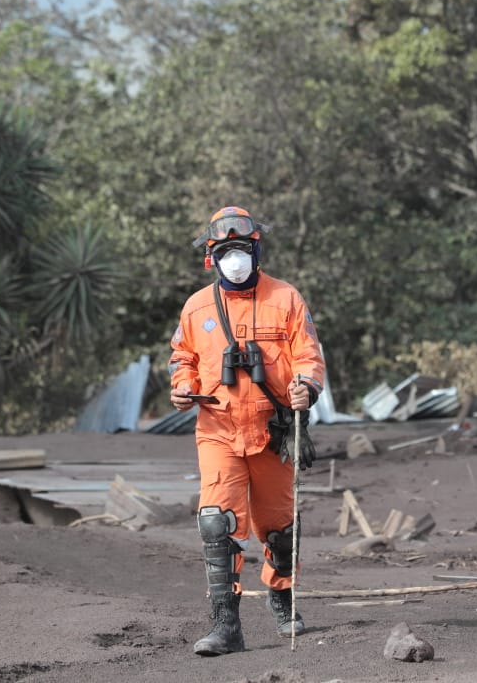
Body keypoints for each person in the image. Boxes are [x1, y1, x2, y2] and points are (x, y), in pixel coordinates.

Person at [168, 206, 325, 656]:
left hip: (272, 431)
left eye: (241, 249)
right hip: (218, 428)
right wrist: (182, 387)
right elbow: (182, 358)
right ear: (211, 258)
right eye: (225, 251)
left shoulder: (286, 298)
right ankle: (226, 626)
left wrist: (306, 387)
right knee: (217, 523)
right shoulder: (197, 307)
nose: (234, 259)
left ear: (256, 251)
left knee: (279, 529)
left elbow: (308, 355)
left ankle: (282, 596)